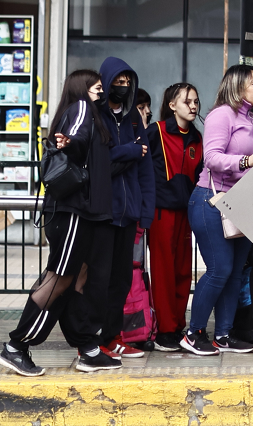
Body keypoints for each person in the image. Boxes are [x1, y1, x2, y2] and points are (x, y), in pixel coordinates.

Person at [0, 70, 118, 375]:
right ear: (82, 89)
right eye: (97, 88)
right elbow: (75, 139)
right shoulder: (80, 108)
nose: (102, 93)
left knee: (75, 280)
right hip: (72, 211)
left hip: (81, 212)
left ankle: (88, 348)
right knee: (60, 279)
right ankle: (16, 346)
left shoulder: (92, 112)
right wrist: (69, 142)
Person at [182, 65, 253, 356]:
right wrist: (246, 161)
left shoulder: (251, 118)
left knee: (234, 273)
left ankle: (223, 335)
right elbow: (212, 159)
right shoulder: (221, 115)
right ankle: (193, 334)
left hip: (241, 202)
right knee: (220, 270)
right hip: (211, 200)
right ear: (238, 85)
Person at [96, 57, 156, 359]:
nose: (122, 87)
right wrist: (131, 150)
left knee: (121, 279)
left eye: (126, 82)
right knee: (100, 279)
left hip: (129, 213)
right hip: (103, 214)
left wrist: (146, 212)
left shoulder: (133, 117)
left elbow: (145, 169)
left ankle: (114, 336)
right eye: (117, 82)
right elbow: (100, 161)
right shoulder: (96, 116)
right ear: (106, 83)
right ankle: (97, 338)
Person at [146, 83, 202, 352]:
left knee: (182, 271)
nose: (193, 106)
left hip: (186, 211)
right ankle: (165, 330)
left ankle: (177, 326)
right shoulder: (155, 131)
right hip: (161, 211)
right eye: (187, 101)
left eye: (195, 101)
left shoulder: (197, 138)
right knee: (163, 271)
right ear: (172, 105)